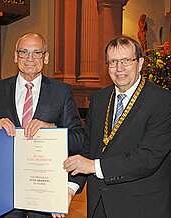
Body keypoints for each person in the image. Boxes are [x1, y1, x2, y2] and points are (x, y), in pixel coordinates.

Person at [59, 35, 171, 218]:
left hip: (141, 206)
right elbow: (89, 150)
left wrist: (94, 166)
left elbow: (148, 157)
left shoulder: (162, 101)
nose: (120, 68)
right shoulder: (99, 99)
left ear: (140, 62)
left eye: (126, 60)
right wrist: (70, 189)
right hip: (99, 204)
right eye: (113, 62)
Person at [0, 32, 84, 217]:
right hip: (6, 192)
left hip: (45, 190)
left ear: (46, 57)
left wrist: (52, 130)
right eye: (24, 52)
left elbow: (79, 140)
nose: (30, 58)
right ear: (15, 56)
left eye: (37, 53)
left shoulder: (62, 91)